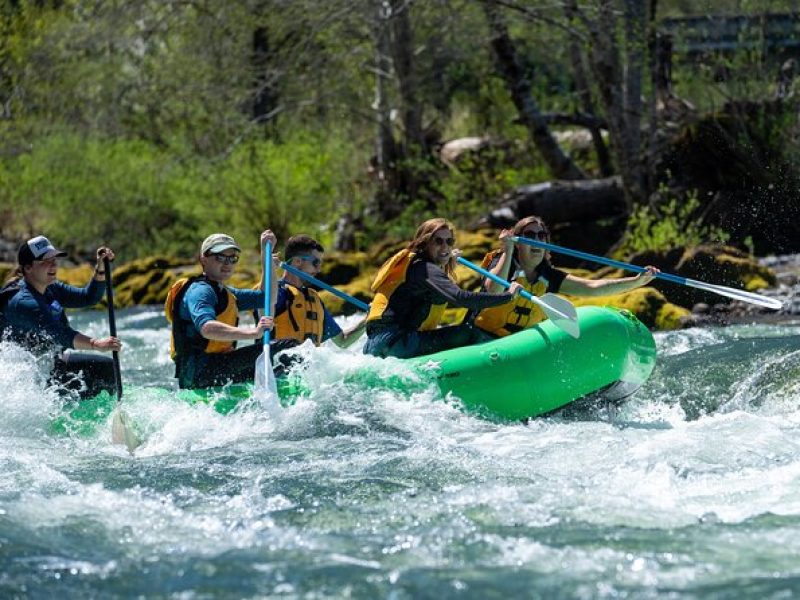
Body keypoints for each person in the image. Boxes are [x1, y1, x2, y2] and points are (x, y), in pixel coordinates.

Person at [474, 216, 659, 337]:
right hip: (482, 336)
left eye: (542, 236)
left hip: (519, 346)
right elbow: (493, 290)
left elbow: (592, 288)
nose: (537, 240)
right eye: (529, 235)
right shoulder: (501, 262)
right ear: (518, 242)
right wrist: (507, 251)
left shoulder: (548, 276)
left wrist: (637, 281)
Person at [363, 218, 522, 359]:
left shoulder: (417, 266)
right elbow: (460, 298)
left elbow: (441, 296)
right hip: (396, 343)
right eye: (438, 241)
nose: (445, 246)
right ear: (425, 243)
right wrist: (508, 296)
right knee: (468, 332)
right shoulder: (425, 269)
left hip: (375, 345)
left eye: (449, 241)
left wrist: (446, 259)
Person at [164, 230, 293, 390]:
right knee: (285, 348)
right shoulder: (200, 292)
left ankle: (280, 390)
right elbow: (207, 328)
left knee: (282, 352)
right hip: (199, 373)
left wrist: (266, 261)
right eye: (220, 257)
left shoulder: (226, 293)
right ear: (203, 259)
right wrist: (253, 332)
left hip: (217, 366)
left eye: (232, 259)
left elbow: (267, 297)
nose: (227, 264)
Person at [0, 235, 121, 399]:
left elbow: (88, 297)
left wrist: (100, 268)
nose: (54, 264)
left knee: (107, 369)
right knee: (104, 369)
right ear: (28, 268)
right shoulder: (23, 302)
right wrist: (95, 343)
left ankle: (103, 417)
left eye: (54, 259)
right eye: (45, 260)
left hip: (47, 364)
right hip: (23, 377)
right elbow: (60, 334)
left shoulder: (50, 287)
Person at [273, 234, 366, 349]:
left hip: (305, 365)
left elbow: (343, 341)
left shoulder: (314, 300)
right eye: (315, 263)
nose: (319, 269)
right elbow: (261, 306)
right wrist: (268, 270)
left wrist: (368, 320)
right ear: (297, 261)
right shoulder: (276, 292)